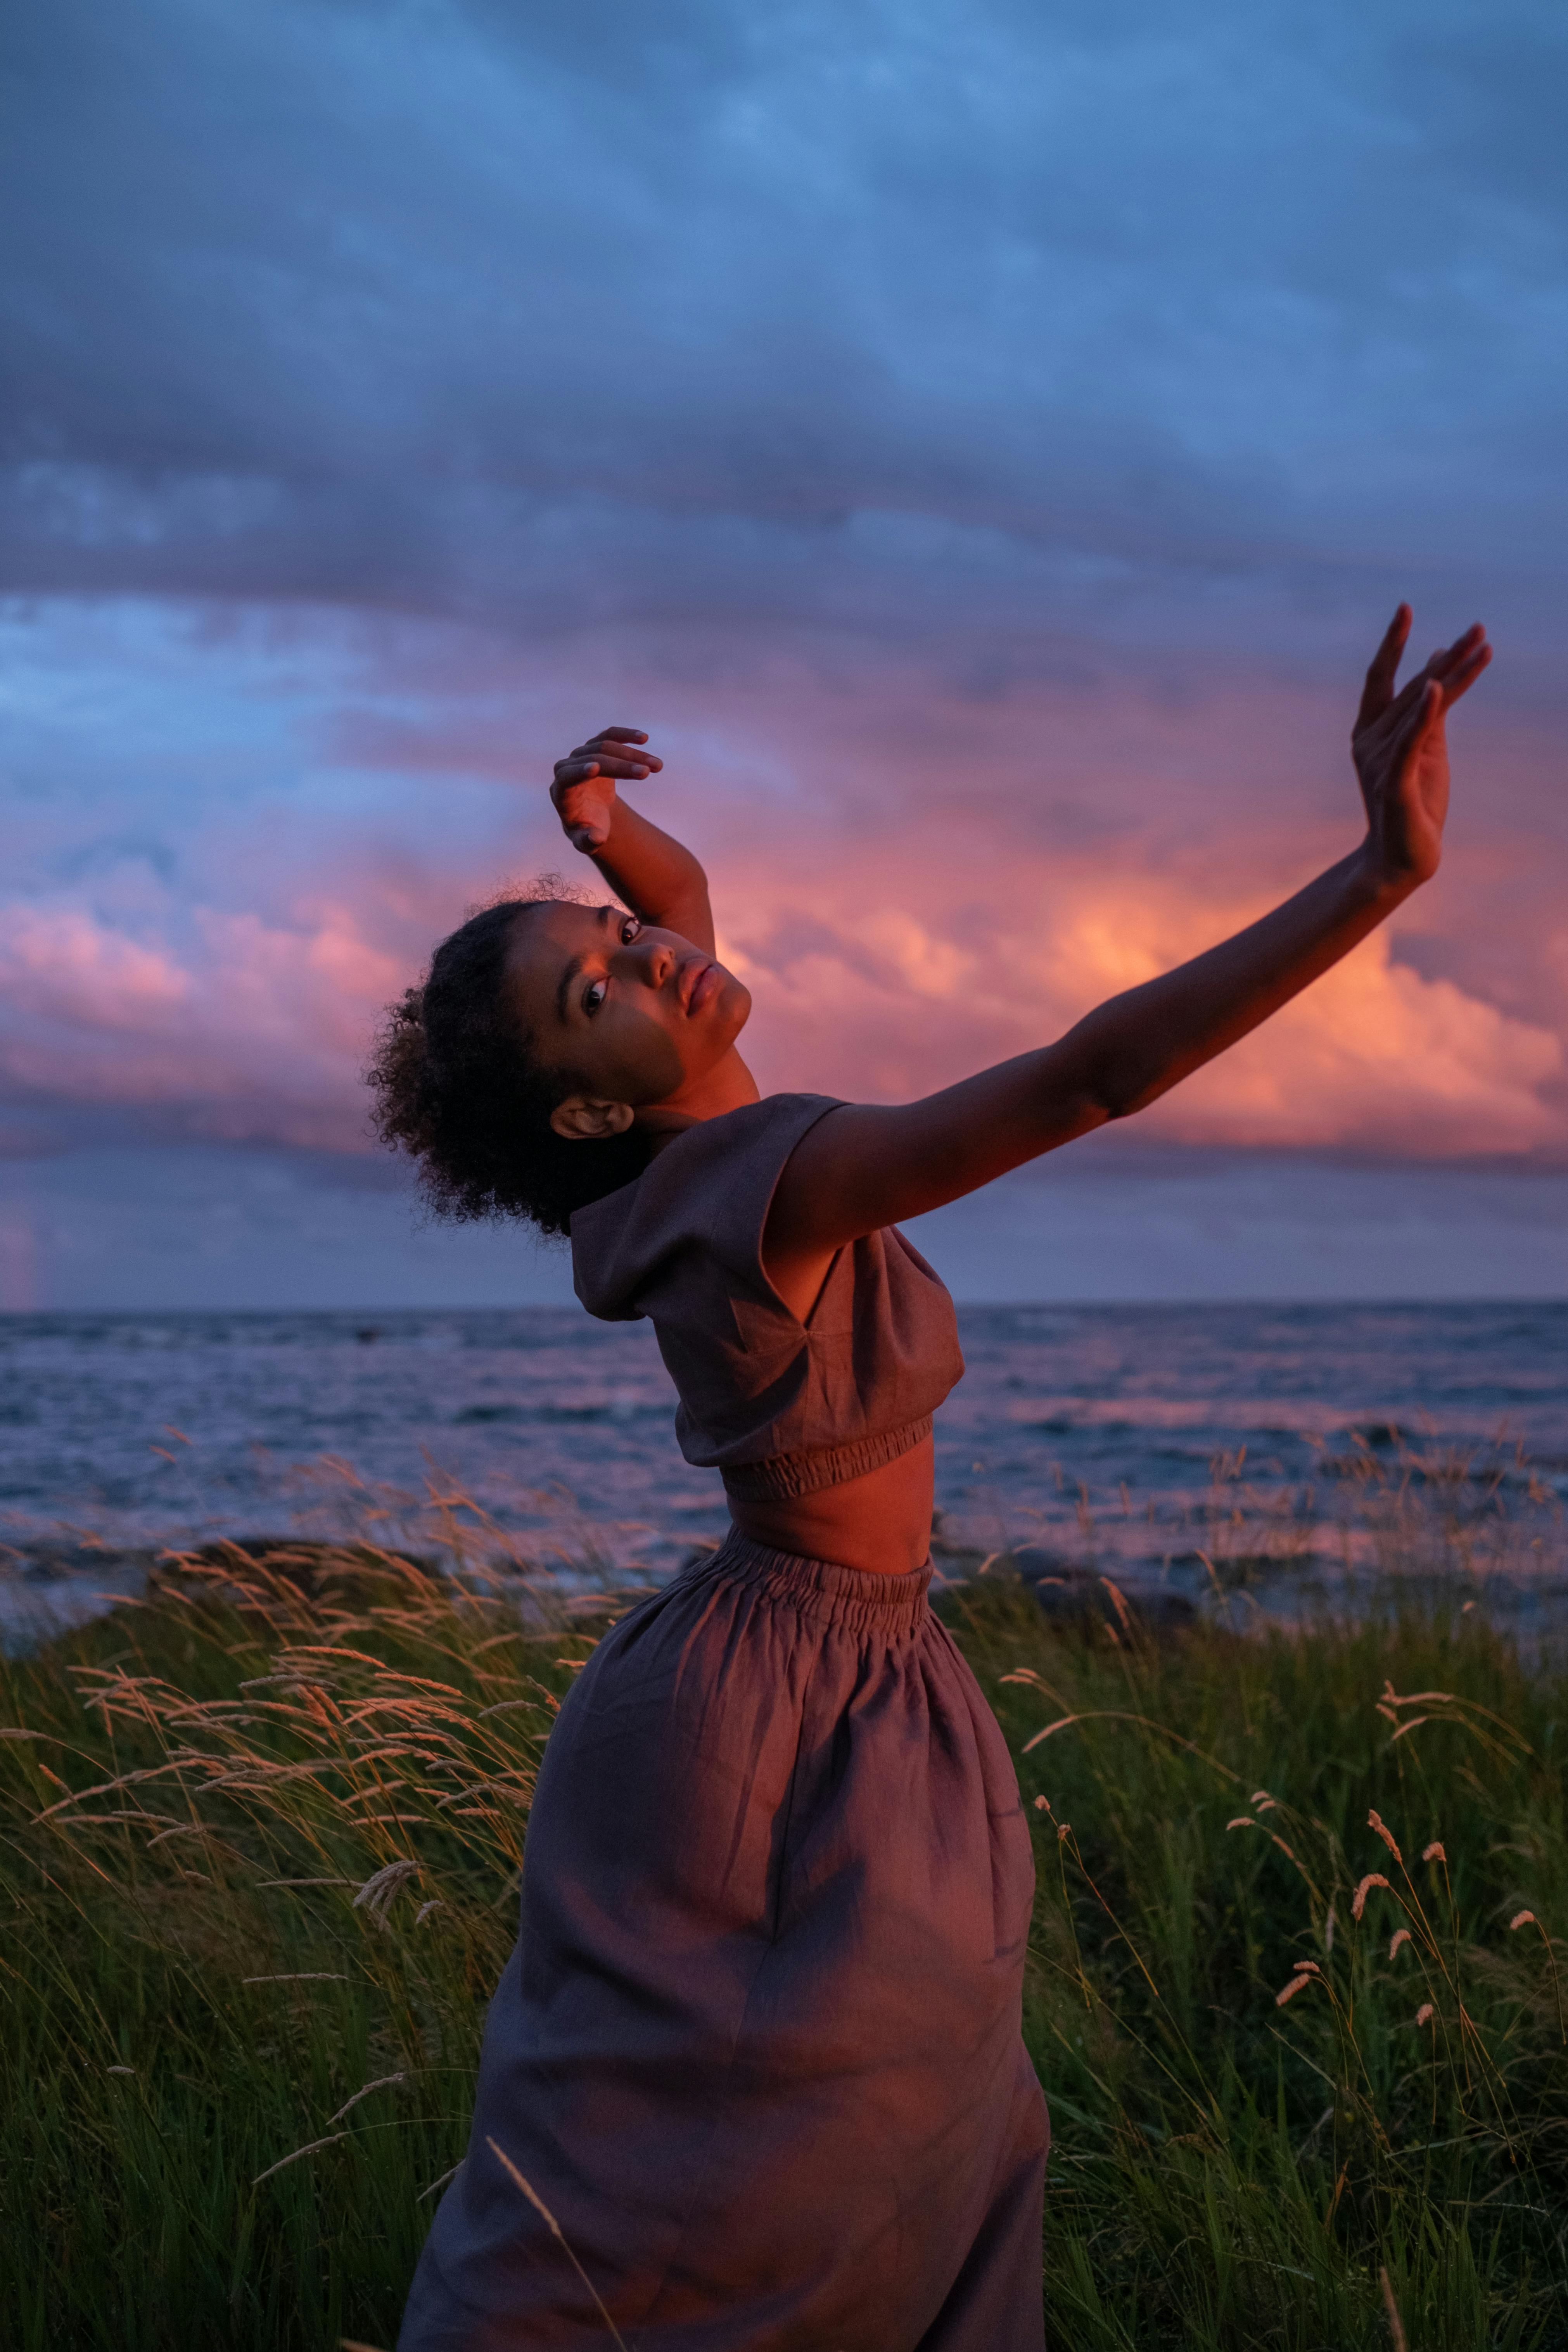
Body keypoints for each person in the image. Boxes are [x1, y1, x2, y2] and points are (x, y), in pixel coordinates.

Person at [373, 607, 1490, 2350]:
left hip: (822, 1674)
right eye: (596, 984)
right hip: (790, 1716)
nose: (648, 950)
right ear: (584, 1107)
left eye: (616, 930)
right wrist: (1378, 875)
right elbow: (1092, 1074)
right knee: (755, 2175)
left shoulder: (685, 1132)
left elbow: (682, 900)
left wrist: (593, 816)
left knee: (857, 2150)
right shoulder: (766, 1190)